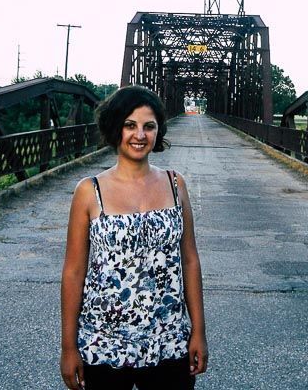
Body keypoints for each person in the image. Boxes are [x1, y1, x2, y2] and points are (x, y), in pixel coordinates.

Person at [60, 85, 208, 390]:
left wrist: (198, 332)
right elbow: (74, 273)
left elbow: (190, 260)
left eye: (148, 126)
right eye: (130, 125)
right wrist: (69, 347)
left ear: (158, 132)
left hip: (168, 340)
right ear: (115, 128)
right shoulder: (89, 191)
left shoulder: (175, 184)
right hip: (104, 343)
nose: (139, 135)